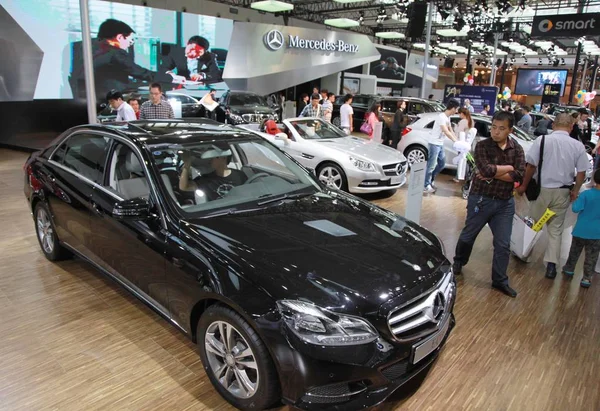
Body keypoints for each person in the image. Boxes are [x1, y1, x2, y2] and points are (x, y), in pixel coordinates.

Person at [453, 111, 525, 298]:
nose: (496, 132)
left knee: (503, 244)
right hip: (481, 199)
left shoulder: (516, 149)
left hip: (505, 203)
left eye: (501, 128)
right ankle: (458, 262)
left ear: (510, 130)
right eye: (494, 127)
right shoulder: (482, 146)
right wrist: (508, 169)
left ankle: (499, 280)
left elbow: (519, 174)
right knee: (468, 236)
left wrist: (496, 172)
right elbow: (484, 169)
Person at [516, 113, 589, 279]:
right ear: (571, 127)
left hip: (541, 190)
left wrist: (524, 185)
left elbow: (531, 166)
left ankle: (524, 253)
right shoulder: (577, 146)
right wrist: (575, 190)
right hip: (563, 192)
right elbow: (582, 172)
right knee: (555, 230)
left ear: (554, 125)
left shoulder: (542, 141)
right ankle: (551, 266)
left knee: (533, 223)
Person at [70, 19, 157, 101]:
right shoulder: (115, 53)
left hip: (86, 99)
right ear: (120, 37)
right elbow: (137, 71)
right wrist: (168, 77)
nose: (129, 44)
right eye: (130, 40)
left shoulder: (83, 46)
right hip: (108, 101)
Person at [561, 169, 600, 288]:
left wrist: (577, 199)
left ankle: (569, 269)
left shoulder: (586, 194)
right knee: (591, 256)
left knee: (574, 251)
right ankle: (587, 278)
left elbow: (575, 208)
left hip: (580, 230)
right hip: (596, 233)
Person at [179, 145, 247, 201]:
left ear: (223, 158)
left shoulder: (240, 175)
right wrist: (186, 166)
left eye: (213, 157)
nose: (210, 160)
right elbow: (184, 187)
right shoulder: (206, 179)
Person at [424, 99, 460, 193]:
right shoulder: (441, 117)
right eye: (456, 109)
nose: (456, 111)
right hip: (434, 143)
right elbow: (445, 130)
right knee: (431, 166)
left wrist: (457, 140)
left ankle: (430, 180)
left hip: (440, 144)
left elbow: (450, 130)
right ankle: (426, 185)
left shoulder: (448, 117)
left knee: (442, 164)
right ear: (453, 108)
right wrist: (454, 141)